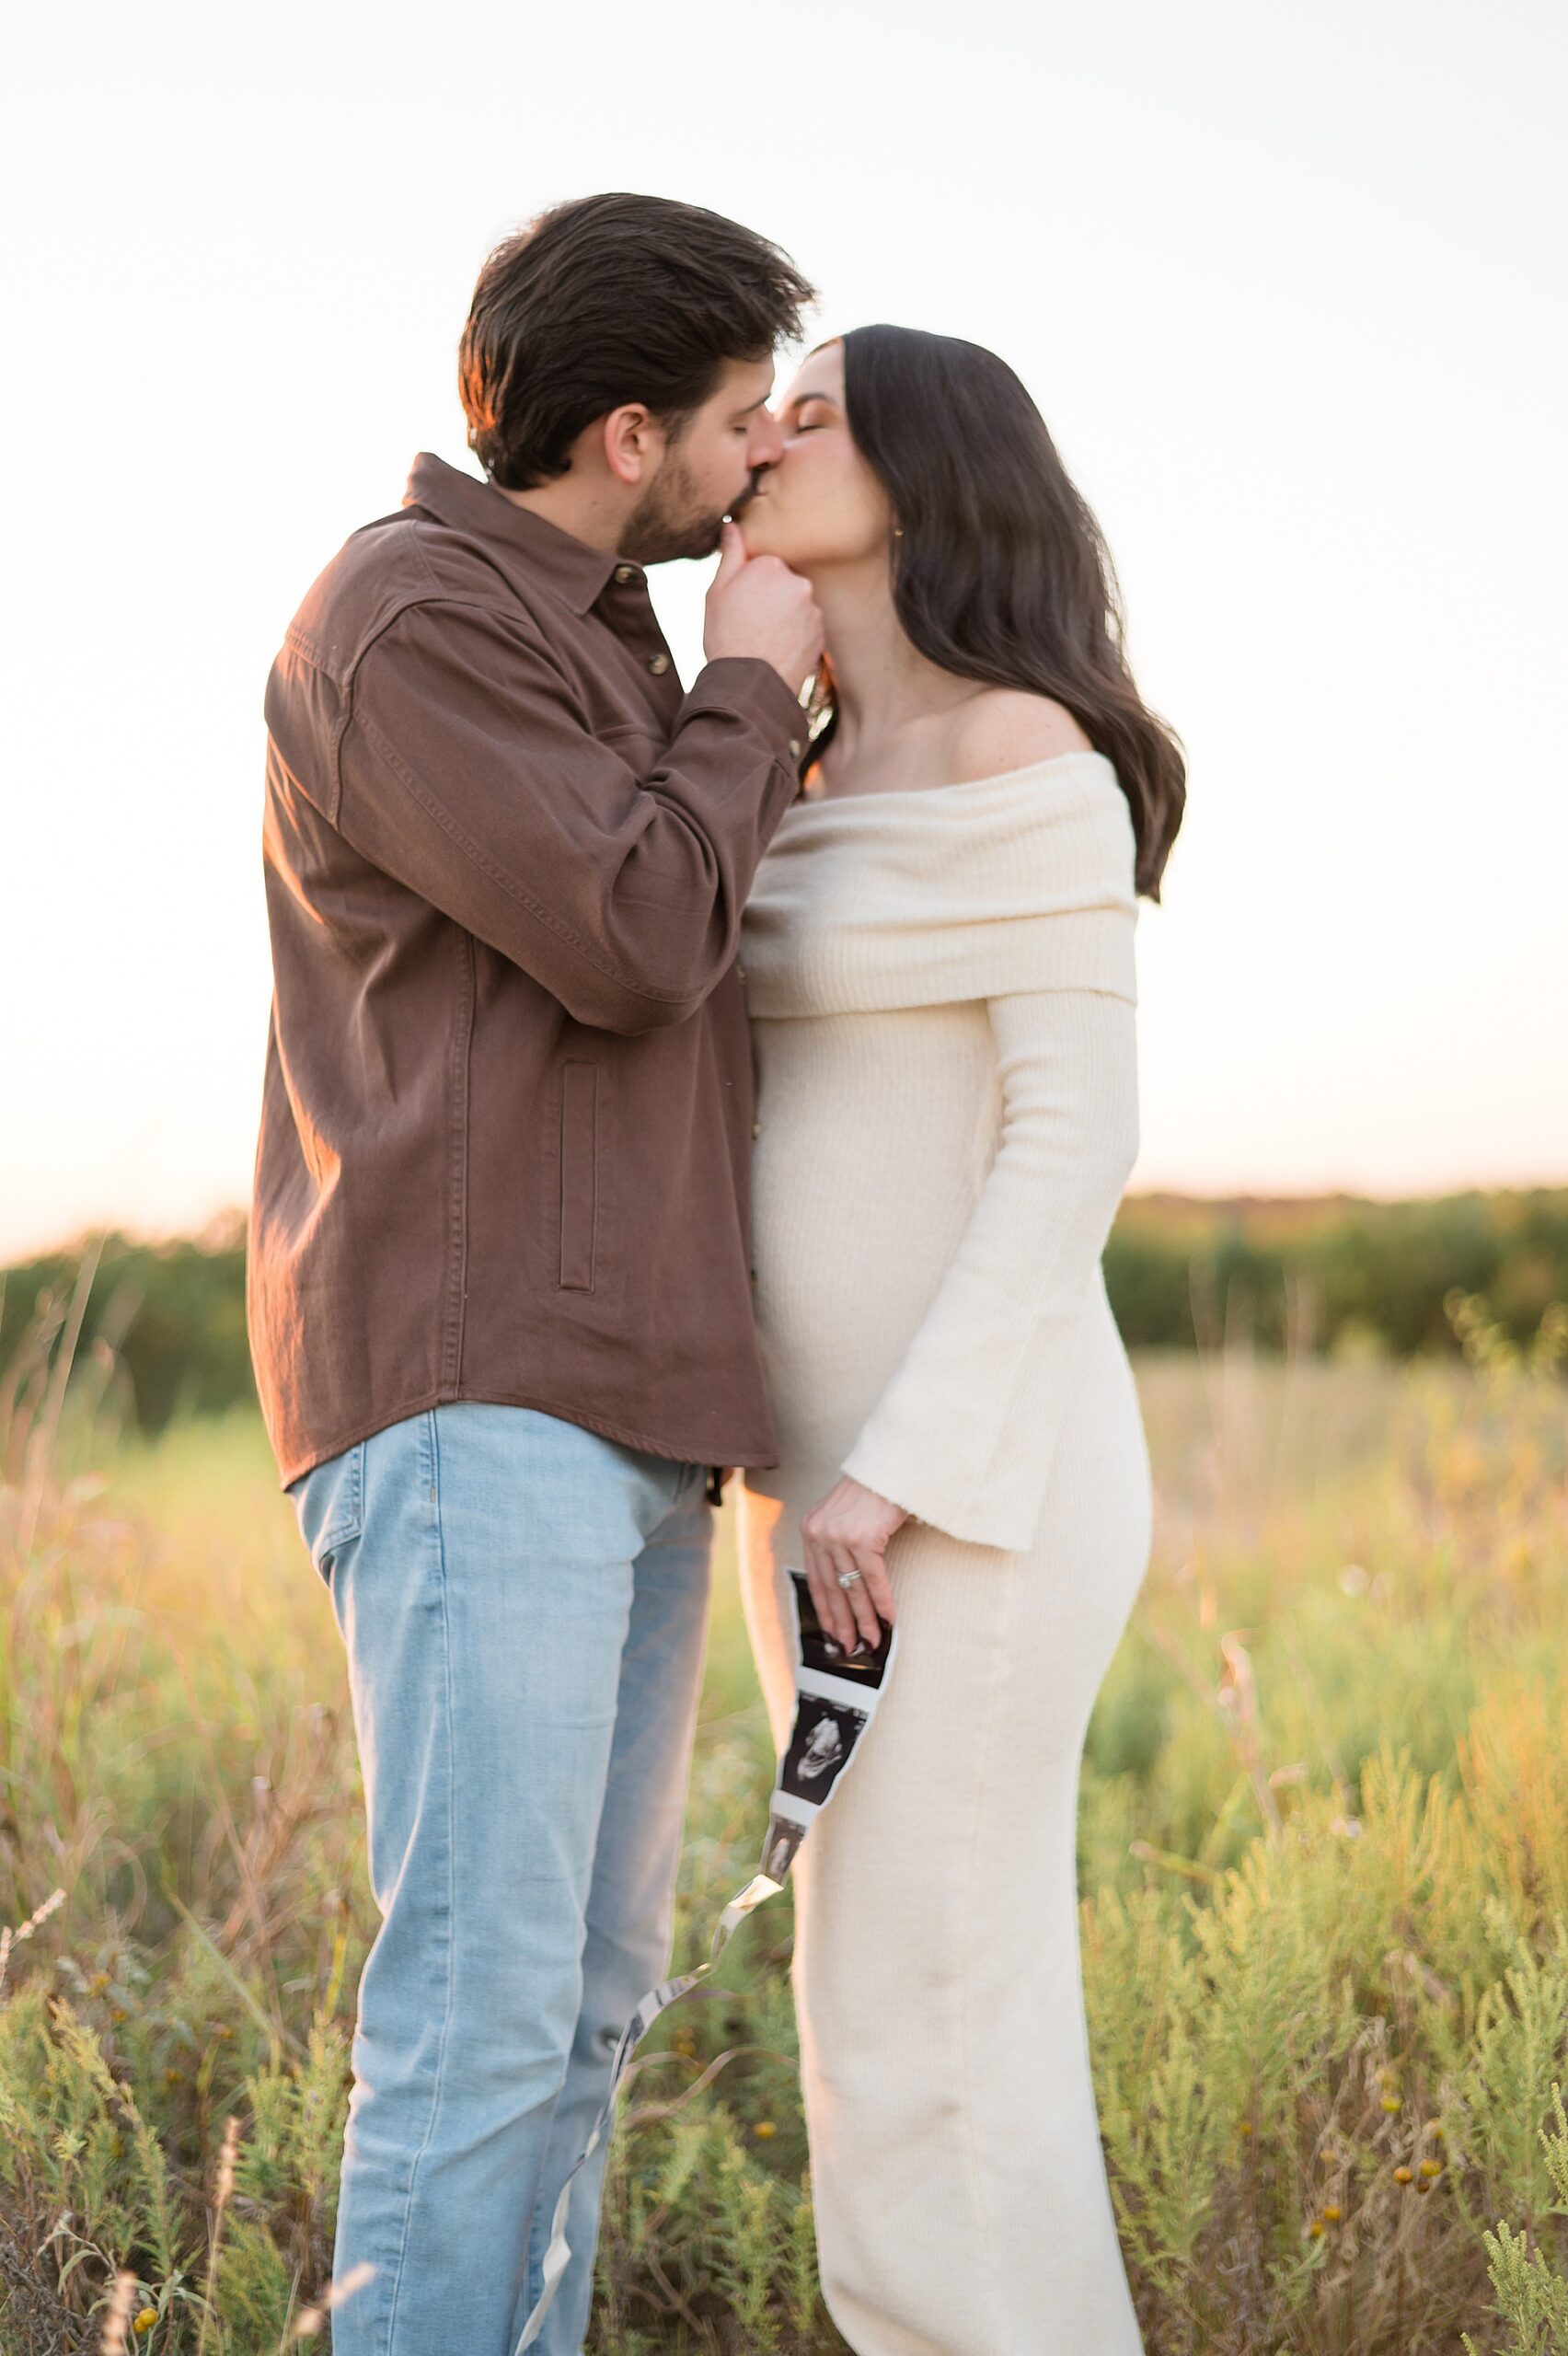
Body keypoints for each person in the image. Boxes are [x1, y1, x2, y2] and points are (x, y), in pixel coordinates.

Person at [248, 192, 823, 2356]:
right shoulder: (415, 618)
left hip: (621, 1401)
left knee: (574, 2016)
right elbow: (637, 932)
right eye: (740, 422)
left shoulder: (603, 639)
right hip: (480, 1386)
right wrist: (758, 677)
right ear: (621, 432)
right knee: (483, 2022)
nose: (757, 462)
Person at [733, 325, 1186, 2355]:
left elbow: (1071, 1136)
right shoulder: (804, 769)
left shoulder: (1028, 754)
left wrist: (894, 1470)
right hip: (813, 1491)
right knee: (868, 2003)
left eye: (813, 413)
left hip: (961, 1491)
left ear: (925, 470)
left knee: (943, 2009)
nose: (765, 433)